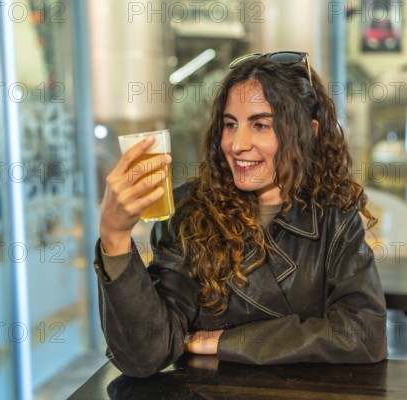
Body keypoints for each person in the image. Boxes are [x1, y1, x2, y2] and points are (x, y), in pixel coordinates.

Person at [94, 51, 388, 378]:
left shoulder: (334, 214)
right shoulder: (191, 213)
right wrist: (115, 239)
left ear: (309, 130)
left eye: (261, 125)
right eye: (230, 124)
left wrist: (228, 341)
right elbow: (145, 354)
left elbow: (364, 334)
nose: (237, 144)